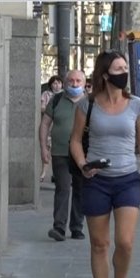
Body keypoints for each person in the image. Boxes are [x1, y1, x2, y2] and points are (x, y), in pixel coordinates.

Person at [70, 50, 140, 278]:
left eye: (125, 68)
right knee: (99, 244)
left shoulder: (137, 105)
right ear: (106, 75)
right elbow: (75, 140)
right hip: (96, 181)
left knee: (125, 242)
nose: (124, 73)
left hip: (127, 179)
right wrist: (83, 164)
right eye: (119, 69)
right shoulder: (87, 104)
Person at [40, 69, 88, 242]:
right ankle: (59, 227)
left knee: (80, 190)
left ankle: (77, 227)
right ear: (65, 82)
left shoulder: (90, 102)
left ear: (84, 83)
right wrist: (43, 148)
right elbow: (45, 124)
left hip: (83, 155)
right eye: (71, 81)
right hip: (60, 152)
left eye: (78, 81)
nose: (74, 84)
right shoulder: (57, 100)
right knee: (62, 189)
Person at [39, 74, 63, 183]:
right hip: (49, 125)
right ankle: (43, 172)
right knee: (47, 150)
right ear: (51, 85)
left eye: (59, 83)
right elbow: (42, 108)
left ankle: (56, 174)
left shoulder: (65, 95)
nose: (57, 85)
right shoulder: (46, 94)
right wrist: (51, 110)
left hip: (60, 126)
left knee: (57, 152)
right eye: (54, 83)